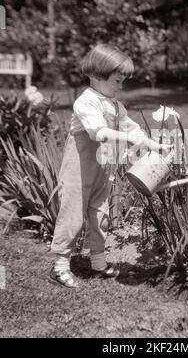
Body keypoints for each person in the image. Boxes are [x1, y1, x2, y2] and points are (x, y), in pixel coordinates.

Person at [49, 43, 170, 288]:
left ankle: (98, 262)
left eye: (122, 81)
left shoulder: (114, 104)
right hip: (79, 171)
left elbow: (130, 128)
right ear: (96, 76)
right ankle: (59, 267)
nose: (121, 86)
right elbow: (97, 132)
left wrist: (151, 144)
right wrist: (129, 139)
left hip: (102, 170)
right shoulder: (87, 101)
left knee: (100, 215)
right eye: (117, 80)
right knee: (72, 215)